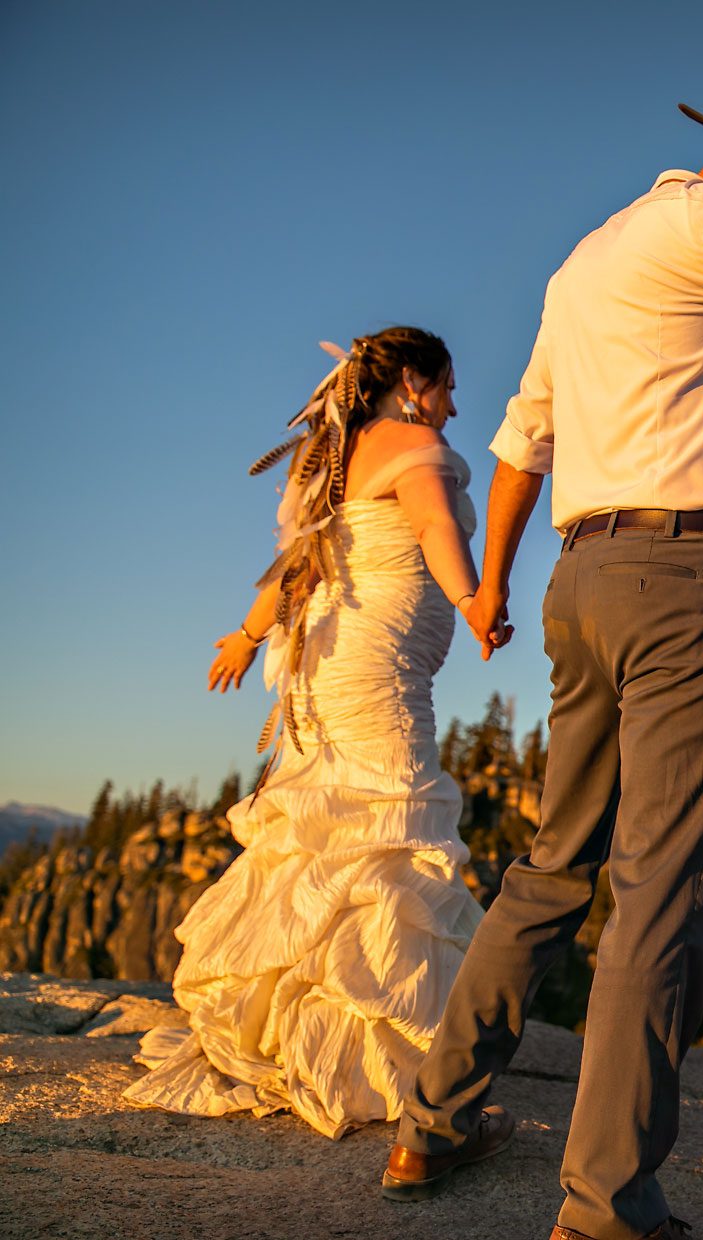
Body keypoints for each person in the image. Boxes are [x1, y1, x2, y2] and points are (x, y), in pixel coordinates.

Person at [382, 83, 703, 1240]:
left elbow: (524, 436)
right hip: (687, 578)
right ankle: (606, 1202)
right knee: (663, 891)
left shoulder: (590, 256)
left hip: (584, 577)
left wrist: (497, 585)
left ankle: (433, 1116)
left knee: (552, 864)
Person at [123, 327, 499, 1139]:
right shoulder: (412, 444)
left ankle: (299, 1032)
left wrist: (248, 633)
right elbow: (438, 530)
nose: (453, 403)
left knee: (333, 827)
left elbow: (303, 562)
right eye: (447, 386)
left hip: (332, 659)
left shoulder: (342, 452)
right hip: (377, 667)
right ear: (410, 380)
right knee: (386, 827)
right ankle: (373, 1063)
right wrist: (474, 601)